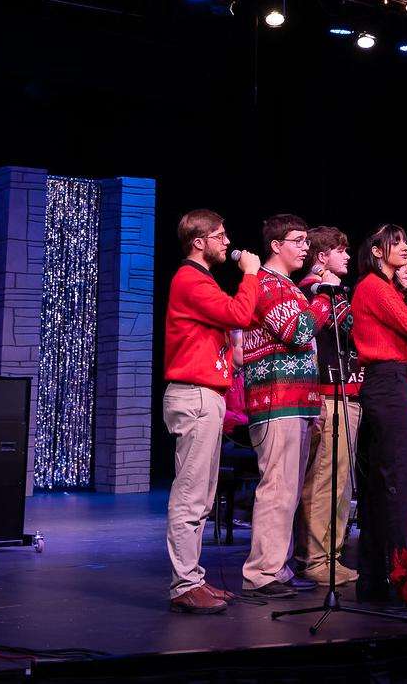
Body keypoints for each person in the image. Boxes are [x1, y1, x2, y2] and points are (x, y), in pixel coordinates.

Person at [161, 209, 262, 614]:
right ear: (199, 242)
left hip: (208, 395)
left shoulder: (201, 281)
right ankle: (184, 583)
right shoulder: (189, 279)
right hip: (194, 395)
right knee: (190, 496)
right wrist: (251, 274)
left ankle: (193, 579)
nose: (226, 242)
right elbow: (240, 313)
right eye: (219, 236)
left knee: (202, 497)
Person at [238, 214, 330, 596]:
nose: (305, 247)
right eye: (297, 240)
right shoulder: (267, 284)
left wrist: (317, 401)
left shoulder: (289, 288)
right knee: (277, 487)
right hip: (276, 399)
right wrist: (324, 297)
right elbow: (299, 331)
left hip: (297, 401)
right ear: (275, 246)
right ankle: (261, 572)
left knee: (289, 489)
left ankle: (278, 568)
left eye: (307, 240)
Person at [349, 223, 407, 602]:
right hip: (385, 382)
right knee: (397, 482)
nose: (405, 247)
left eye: (405, 241)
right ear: (378, 250)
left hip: (394, 382)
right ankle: (403, 579)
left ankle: (379, 577)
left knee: (389, 484)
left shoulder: (387, 289)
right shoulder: (372, 286)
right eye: (396, 242)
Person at [296, 225, 360, 587]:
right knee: (324, 481)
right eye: (340, 250)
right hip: (327, 394)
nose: (347, 256)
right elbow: (341, 326)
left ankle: (331, 555)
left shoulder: (337, 293)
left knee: (340, 483)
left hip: (348, 393)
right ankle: (316, 559)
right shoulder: (313, 291)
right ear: (322, 257)